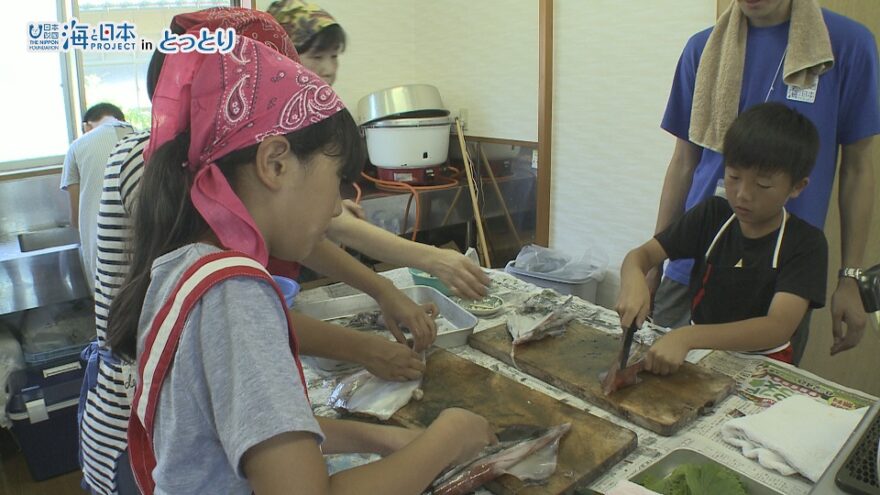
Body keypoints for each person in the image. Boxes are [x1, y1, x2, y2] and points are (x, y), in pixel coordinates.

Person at [106, 33, 495, 495]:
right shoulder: (233, 293)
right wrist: (445, 441)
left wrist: (380, 436)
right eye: (337, 179)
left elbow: (256, 429)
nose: (336, 210)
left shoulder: (187, 264)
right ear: (275, 164)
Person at [651, 0, 880, 363]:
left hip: (781, 273)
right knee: (658, 384)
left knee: (758, 403)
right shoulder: (703, 47)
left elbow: (858, 169)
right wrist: (652, 264)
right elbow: (684, 163)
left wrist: (850, 277)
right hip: (693, 261)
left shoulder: (848, 45)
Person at [267, 0, 492, 300]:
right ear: (279, 55)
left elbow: (322, 226)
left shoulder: (313, 117)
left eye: (334, 55)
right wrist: (430, 259)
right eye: (317, 55)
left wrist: (384, 290)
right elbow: (334, 227)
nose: (330, 69)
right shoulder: (269, 130)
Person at [618, 103, 827, 375]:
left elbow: (777, 326)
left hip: (762, 368)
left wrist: (687, 337)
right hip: (698, 358)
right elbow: (640, 256)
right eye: (733, 177)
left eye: (762, 185)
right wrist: (634, 280)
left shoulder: (806, 243)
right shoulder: (713, 214)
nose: (742, 194)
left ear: (797, 186)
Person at [60, 103, 134, 293]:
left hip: (104, 251)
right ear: (121, 120)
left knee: (111, 312)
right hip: (151, 248)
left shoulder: (78, 146)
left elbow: (76, 217)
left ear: (87, 126)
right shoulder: (148, 136)